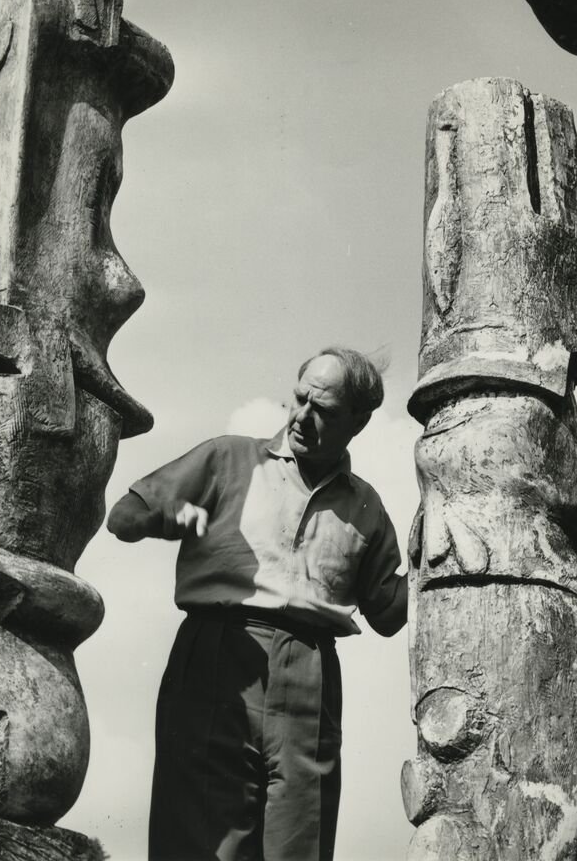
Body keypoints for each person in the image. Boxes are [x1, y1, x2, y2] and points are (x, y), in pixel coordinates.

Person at [107, 346, 407, 861]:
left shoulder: (367, 507)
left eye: (325, 412)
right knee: (202, 840)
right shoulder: (228, 458)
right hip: (219, 656)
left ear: (358, 423)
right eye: (298, 399)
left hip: (310, 673)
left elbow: (388, 614)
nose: (302, 418)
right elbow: (123, 517)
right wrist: (168, 517)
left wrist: (431, 566)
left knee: (299, 840)